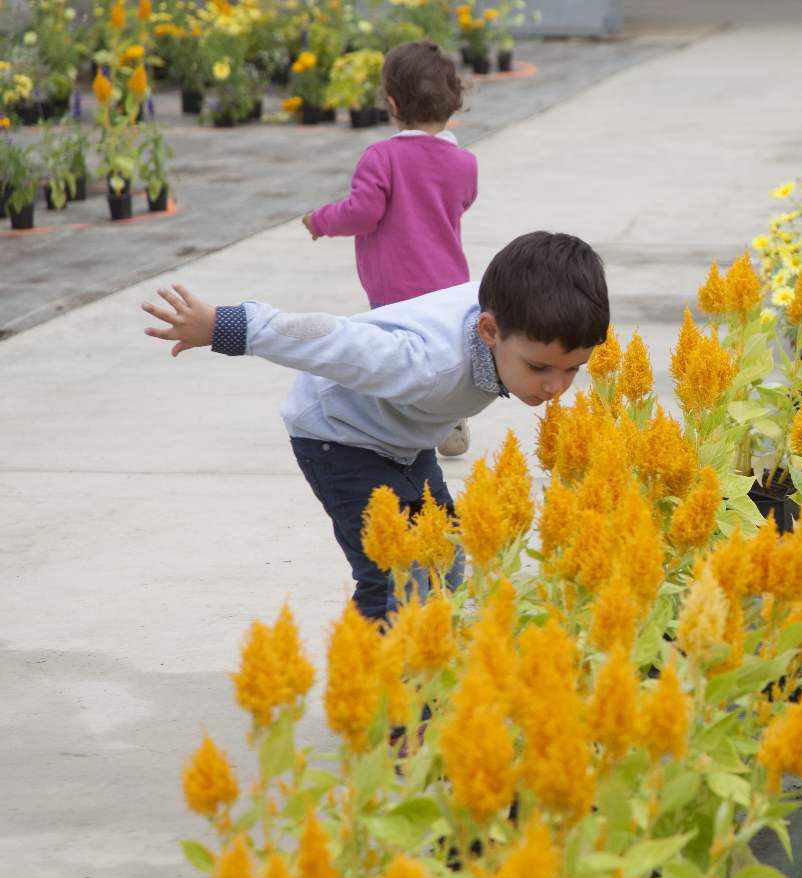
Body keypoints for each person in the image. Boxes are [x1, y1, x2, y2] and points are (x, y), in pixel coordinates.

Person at [141, 232, 610, 621]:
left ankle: (427, 672)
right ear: (488, 331)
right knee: (394, 577)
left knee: (443, 558)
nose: (556, 387)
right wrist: (221, 325)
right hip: (338, 438)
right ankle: (385, 705)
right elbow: (328, 339)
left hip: (406, 439)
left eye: (573, 370)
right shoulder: (422, 363)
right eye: (540, 368)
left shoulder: (523, 317)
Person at [303, 39, 478, 458]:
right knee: (439, 351)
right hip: (448, 283)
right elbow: (462, 202)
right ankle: (448, 413)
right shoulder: (464, 163)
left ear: (393, 103)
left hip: (395, 285)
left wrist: (322, 220)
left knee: (395, 358)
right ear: (453, 103)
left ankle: (405, 427)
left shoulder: (381, 156)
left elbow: (363, 212)